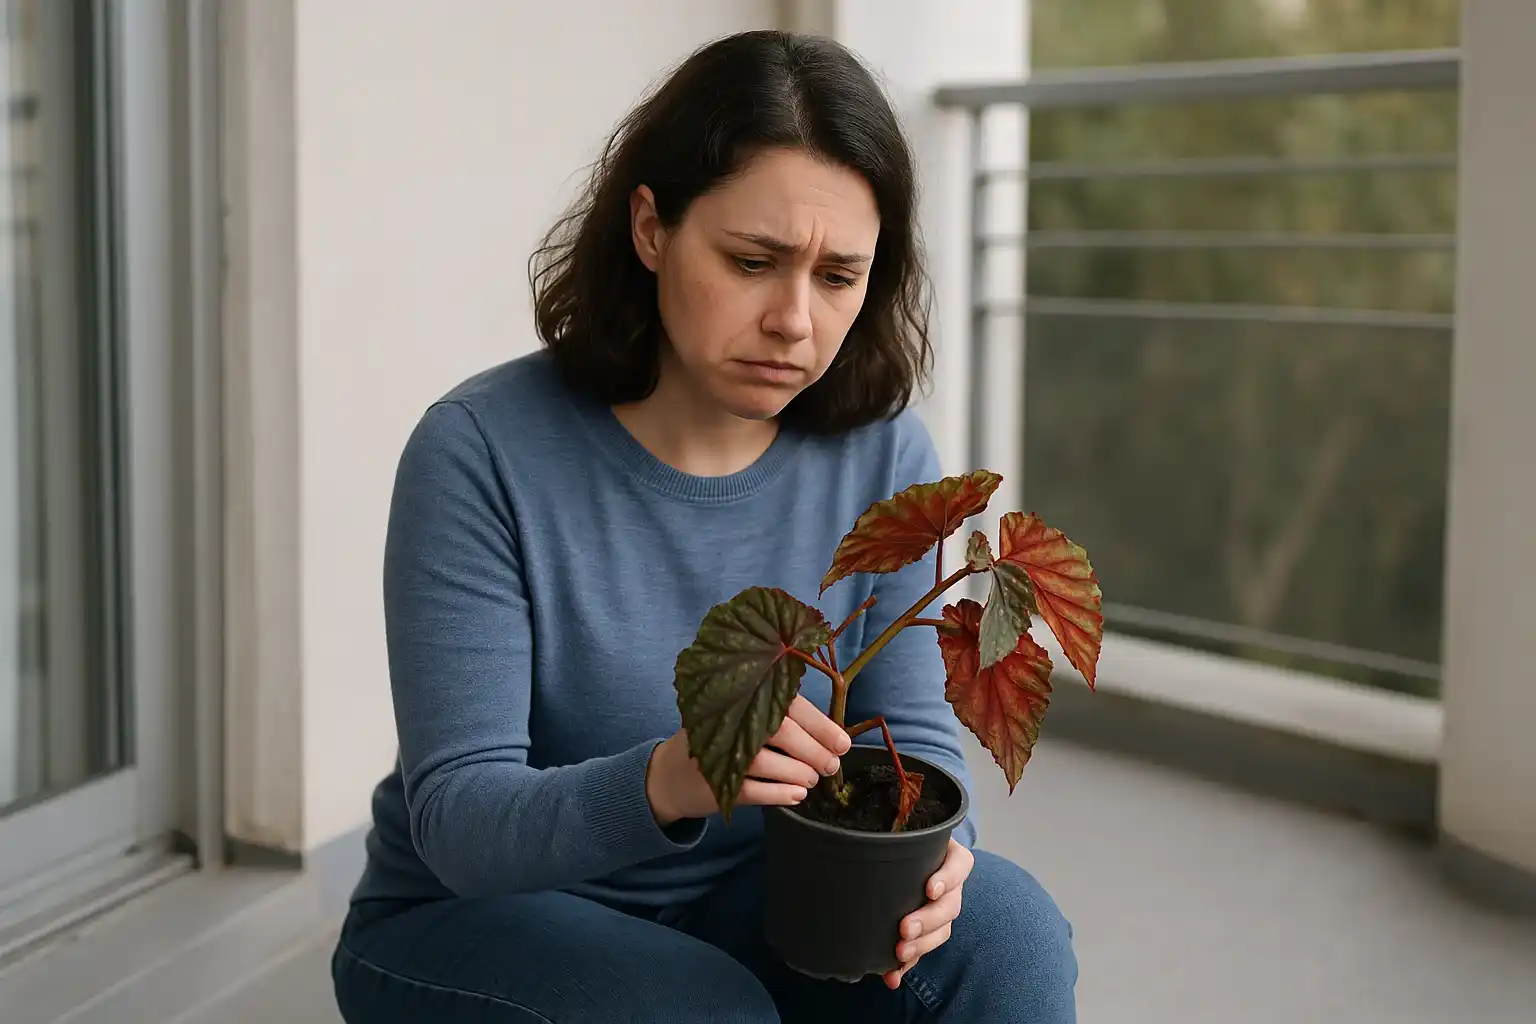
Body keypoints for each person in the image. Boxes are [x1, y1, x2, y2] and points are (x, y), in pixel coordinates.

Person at [330, 28, 1077, 1024]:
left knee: (1006, 931)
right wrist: (674, 776)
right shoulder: (479, 452)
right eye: (752, 260)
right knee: (703, 1011)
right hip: (479, 910)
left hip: (757, 892)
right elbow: (460, 823)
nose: (794, 321)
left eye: (838, 277)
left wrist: (942, 854)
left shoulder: (882, 449)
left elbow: (915, 731)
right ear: (650, 228)